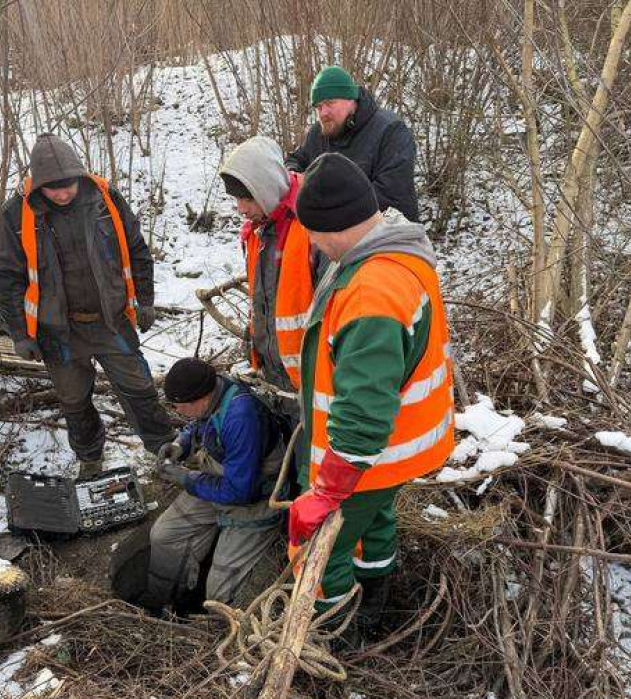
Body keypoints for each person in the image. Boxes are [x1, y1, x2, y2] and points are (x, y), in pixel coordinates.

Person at [288, 153, 455, 637]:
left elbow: (363, 408)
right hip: (395, 454)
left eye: (313, 232)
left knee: (321, 547)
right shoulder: (398, 250)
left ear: (334, 226)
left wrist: (326, 493)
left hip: (367, 457)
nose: (313, 243)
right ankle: (377, 604)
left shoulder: (371, 292)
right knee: (375, 522)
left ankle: (338, 637)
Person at [0, 133, 175, 478]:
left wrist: (146, 300)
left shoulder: (104, 199)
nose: (63, 194)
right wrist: (20, 333)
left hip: (111, 320)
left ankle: (165, 450)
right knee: (75, 401)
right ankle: (90, 460)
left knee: (139, 389)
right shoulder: (16, 215)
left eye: (69, 186)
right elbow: (8, 277)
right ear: (38, 185)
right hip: (57, 331)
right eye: (54, 189)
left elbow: (137, 250)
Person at [146, 358, 285, 609]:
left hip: (253, 501)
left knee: (219, 598)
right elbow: (199, 423)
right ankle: (164, 605)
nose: (177, 411)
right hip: (219, 483)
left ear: (199, 399)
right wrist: (182, 444)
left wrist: (187, 479)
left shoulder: (241, 417)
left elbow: (240, 492)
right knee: (164, 536)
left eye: (179, 407)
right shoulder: (215, 391)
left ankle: (216, 632)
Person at [219, 136, 325, 393]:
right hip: (274, 372)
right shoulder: (257, 230)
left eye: (246, 198)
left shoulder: (315, 226)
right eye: (236, 199)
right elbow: (261, 299)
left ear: (266, 187)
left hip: (314, 377)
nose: (240, 209)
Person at [286, 65, 420, 223]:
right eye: (319, 107)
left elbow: (391, 195)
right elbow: (295, 161)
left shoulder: (391, 131)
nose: (323, 113)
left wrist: (327, 206)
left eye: (330, 103)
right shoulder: (319, 133)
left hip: (387, 235)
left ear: (351, 100)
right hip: (332, 236)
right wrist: (293, 180)